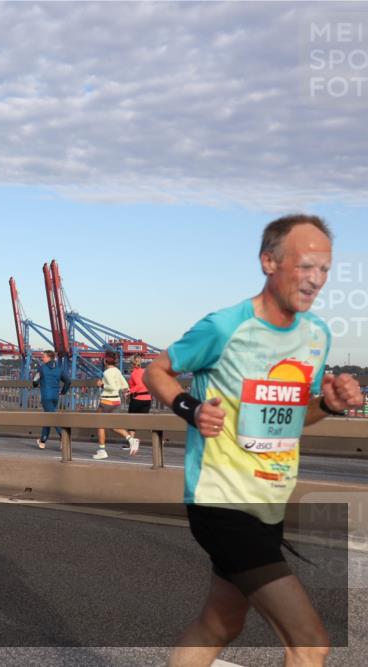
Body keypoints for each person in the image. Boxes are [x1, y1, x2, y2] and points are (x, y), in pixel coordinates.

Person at [144, 214, 364, 666]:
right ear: (269, 261)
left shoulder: (316, 336)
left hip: (271, 502)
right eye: (306, 266)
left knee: (220, 624)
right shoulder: (226, 327)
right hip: (221, 502)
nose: (316, 280)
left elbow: (294, 418)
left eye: (324, 269)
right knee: (309, 643)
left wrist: (330, 406)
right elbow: (156, 370)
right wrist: (190, 407)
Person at [93, 352, 139, 459]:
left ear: (105, 361)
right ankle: (131, 439)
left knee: (99, 424)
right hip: (116, 401)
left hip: (107, 401)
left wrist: (102, 384)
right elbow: (125, 386)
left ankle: (102, 451)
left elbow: (112, 387)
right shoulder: (117, 371)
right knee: (113, 425)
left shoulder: (107, 372)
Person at [32, 350, 70, 449]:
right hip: (55, 397)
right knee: (48, 417)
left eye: (43, 356)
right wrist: (63, 392)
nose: (42, 358)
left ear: (49, 358)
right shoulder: (59, 369)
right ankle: (42, 441)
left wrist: (36, 384)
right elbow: (68, 381)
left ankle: (63, 436)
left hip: (46, 397)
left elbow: (35, 381)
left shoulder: (42, 368)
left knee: (52, 417)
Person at [125, 354, 151, 446]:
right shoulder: (145, 371)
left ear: (132, 364)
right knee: (146, 421)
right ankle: (159, 439)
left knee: (132, 421)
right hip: (147, 399)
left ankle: (131, 443)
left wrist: (129, 392)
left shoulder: (134, 373)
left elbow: (139, 385)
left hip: (137, 399)